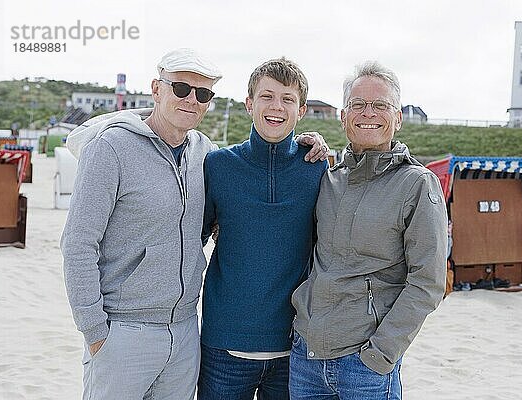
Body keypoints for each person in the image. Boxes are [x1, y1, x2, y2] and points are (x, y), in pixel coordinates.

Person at [62, 49, 328, 400]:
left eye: (202, 94)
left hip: (190, 332)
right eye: (181, 89)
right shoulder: (116, 147)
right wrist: (95, 330)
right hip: (127, 331)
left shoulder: (206, 154)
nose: (191, 100)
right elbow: (78, 244)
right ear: (157, 89)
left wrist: (315, 142)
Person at [289, 61, 448, 400]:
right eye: (358, 105)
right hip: (306, 357)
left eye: (381, 105)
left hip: (366, 366)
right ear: (343, 116)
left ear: (398, 117)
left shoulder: (418, 185)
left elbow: (428, 283)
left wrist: (379, 355)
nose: (368, 113)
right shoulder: (327, 177)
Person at [197, 58, 329, 400]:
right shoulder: (218, 165)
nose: (276, 107)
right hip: (224, 345)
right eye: (267, 96)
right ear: (249, 103)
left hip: (294, 348)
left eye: (287, 99)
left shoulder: (318, 169)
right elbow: (191, 237)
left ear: (301, 111)